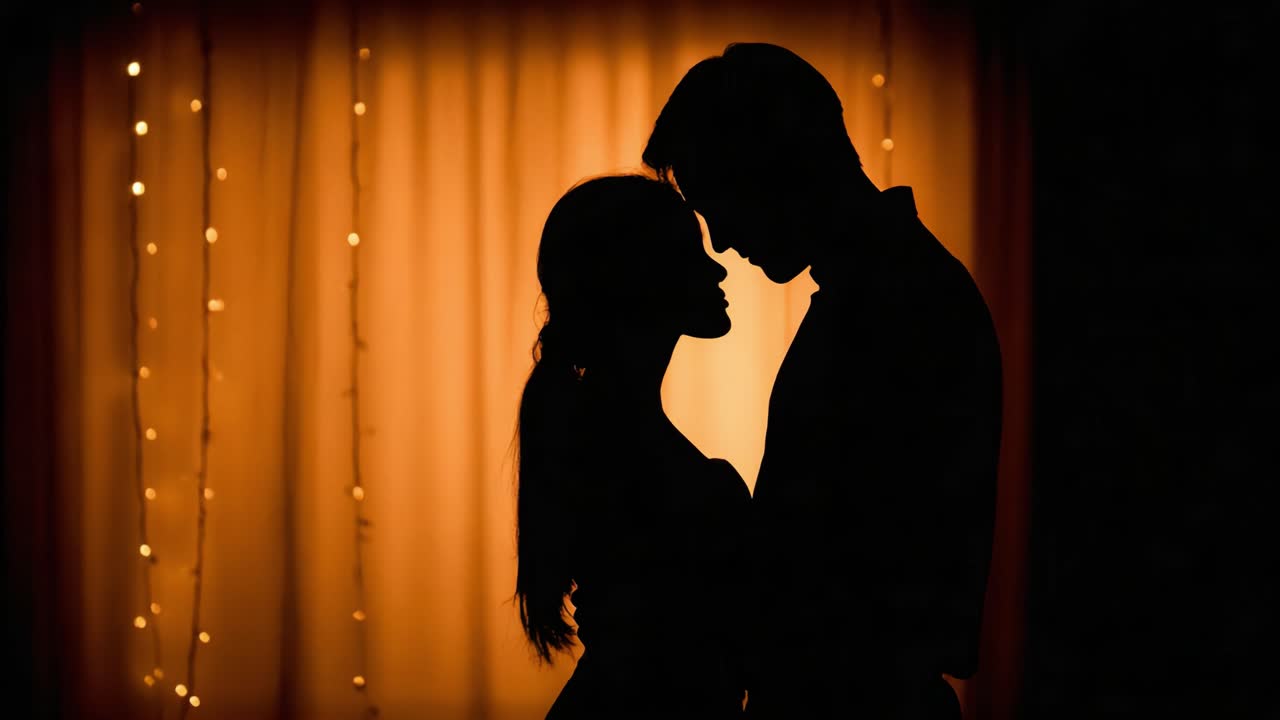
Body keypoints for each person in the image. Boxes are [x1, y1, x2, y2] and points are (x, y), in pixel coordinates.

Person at [643, 43, 1003, 718]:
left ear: (770, 168)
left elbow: (853, 564)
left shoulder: (897, 305)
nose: (718, 240)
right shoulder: (892, 290)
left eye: (713, 198)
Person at [514, 174, 749, 719]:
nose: (717, 268)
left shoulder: (594, 427)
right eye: (691, 255)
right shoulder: (628, 453)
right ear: (641, 277)